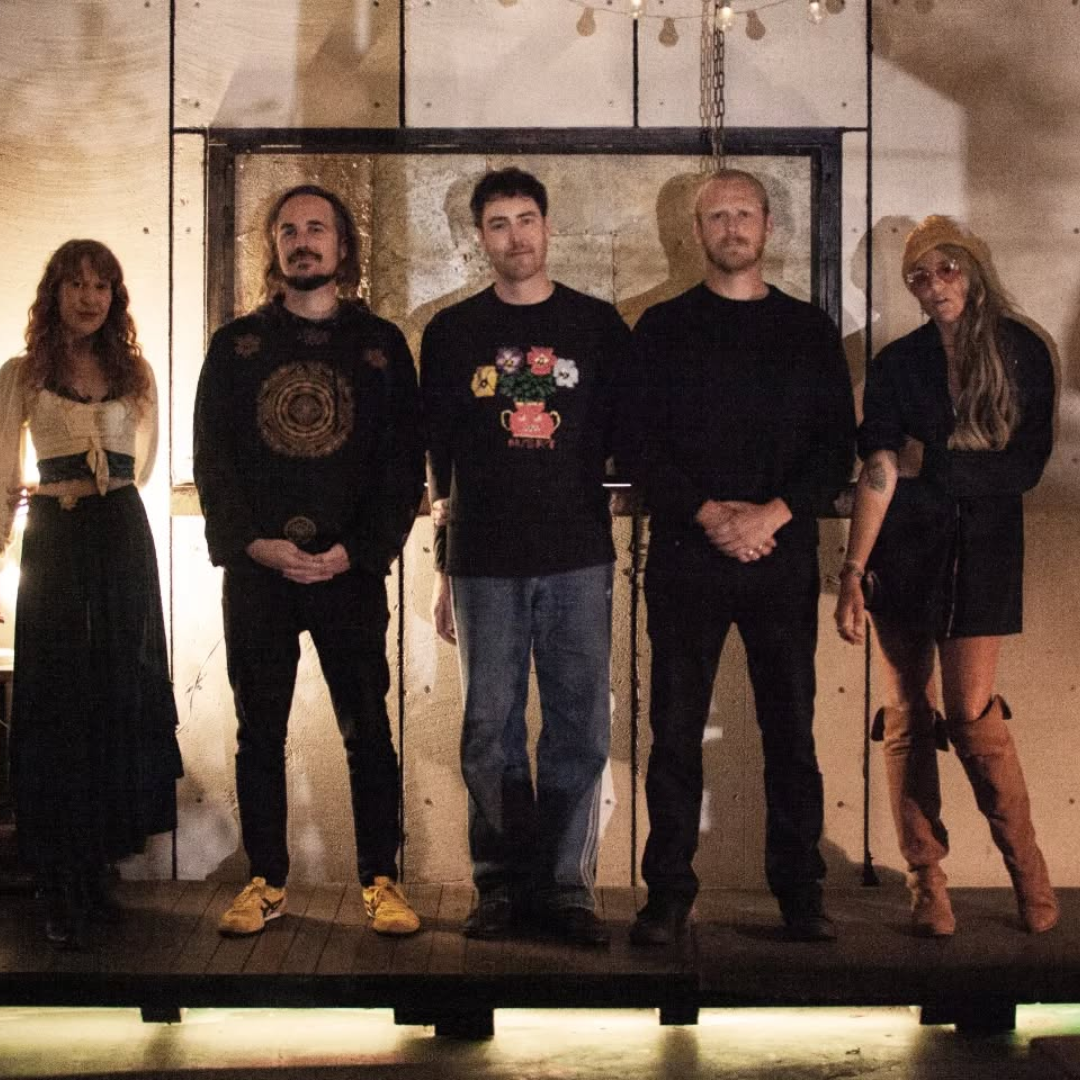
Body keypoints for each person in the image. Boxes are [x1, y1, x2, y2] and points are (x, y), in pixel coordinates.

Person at [623, 169, 856, 946]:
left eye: (744, 213)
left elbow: (834, 450)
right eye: (717, 214)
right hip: (688, 554)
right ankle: (667, 897)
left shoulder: (808, 330)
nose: (731, 226)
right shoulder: (660, 328)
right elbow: (638, 443)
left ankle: (800, 895)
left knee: (792, 728)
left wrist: (772, 514)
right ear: (696, 232)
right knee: (675, 730)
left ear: (766, 226)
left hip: (781, 555)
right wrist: (709, 514)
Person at [194, 184, 424, 938]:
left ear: (342, 245)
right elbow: (214, 460)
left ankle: (381, 881)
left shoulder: (382, 346)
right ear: (275, 248)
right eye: (288, 230)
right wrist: (255, 543)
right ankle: (266, 880)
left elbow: (401, 465)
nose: (302, 241)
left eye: (316, 228)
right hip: (260, 572)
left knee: (368, 733)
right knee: (260, 731)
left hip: (348, 574)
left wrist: (358, 551)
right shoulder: (235, 348)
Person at [421, 167, 630, 947]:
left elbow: (623, 438)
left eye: (527, 219)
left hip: (577, 554)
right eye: (499, 223)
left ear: (548, 228)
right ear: (481, 238)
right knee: (489, 727)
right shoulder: (449, 335)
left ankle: (569, 890)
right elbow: (440, 467)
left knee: (580, 724)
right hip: (481, 560)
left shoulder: (598, 327)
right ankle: (502, 888)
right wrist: (441, 573)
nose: (516, 236)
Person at [834, 215, 1058, 937]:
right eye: (918, 278)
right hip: (905, 551)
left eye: (945, 270)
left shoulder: (1023, 351)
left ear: (973, 266)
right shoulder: (900, 362)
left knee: (970, 713)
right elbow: (878, 467)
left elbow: (1023, 468)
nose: (934, 287)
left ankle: (1027, 867)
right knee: (906, 710)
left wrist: (934, 462)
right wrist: (852, 570)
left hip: (988, 552)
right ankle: (927, 881)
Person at [0, 240, 182, 948]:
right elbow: (1, 470)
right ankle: (56, 878)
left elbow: (144, 463)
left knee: (116, 691)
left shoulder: (134, 371)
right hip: (55, 537)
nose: (89, 297)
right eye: (76, 284)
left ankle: (97, 870)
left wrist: (104, 497)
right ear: (54, 293)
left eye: (102, 284)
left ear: (115, 296)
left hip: (119, 539)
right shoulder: (22, 373)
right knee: (55, 701)